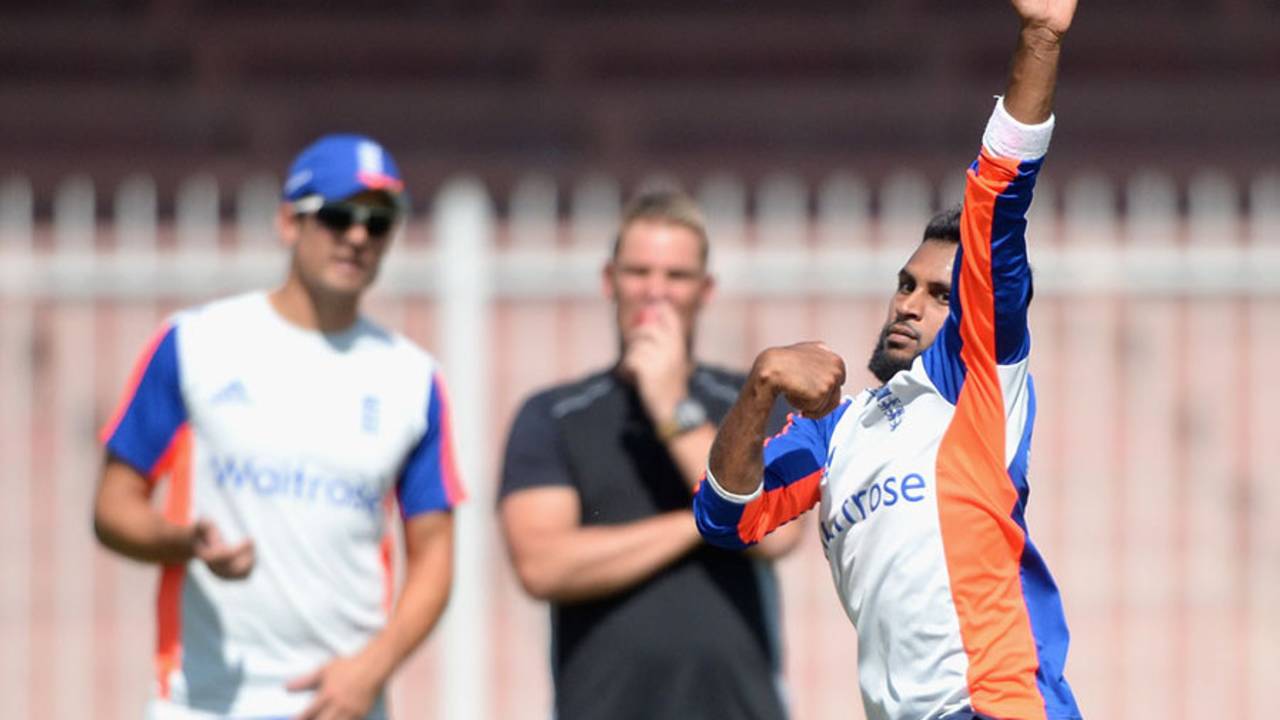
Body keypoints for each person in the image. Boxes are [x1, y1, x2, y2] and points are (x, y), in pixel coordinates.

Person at [692, 1, 1084, 719]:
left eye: (939, 294)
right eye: (905, 284)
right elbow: (725, 518)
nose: (909, 303)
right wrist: (762, 383)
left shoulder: (974, 386)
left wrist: (1039, 38)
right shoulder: (836, 434)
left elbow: (995, 199)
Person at [93, 135, 464, 720]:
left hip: (341, 705)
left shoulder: (413, 379)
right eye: (338, 216)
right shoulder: (195, 344)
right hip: (203, 702)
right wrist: (183, 542)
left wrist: (369, 671)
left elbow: (436, 555)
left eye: (379, 222)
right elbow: (113, 507)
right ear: (289, 222)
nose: (358, 237)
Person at [498, 190, 803, 720]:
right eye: (638, 272)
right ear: (608, 281)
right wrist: (703, 524)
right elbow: (542, 564)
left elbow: (778, 532)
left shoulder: (751, 401)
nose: (655, 293)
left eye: (676, 276)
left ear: (704, 290)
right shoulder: (554, 414)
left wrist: (671, 406)